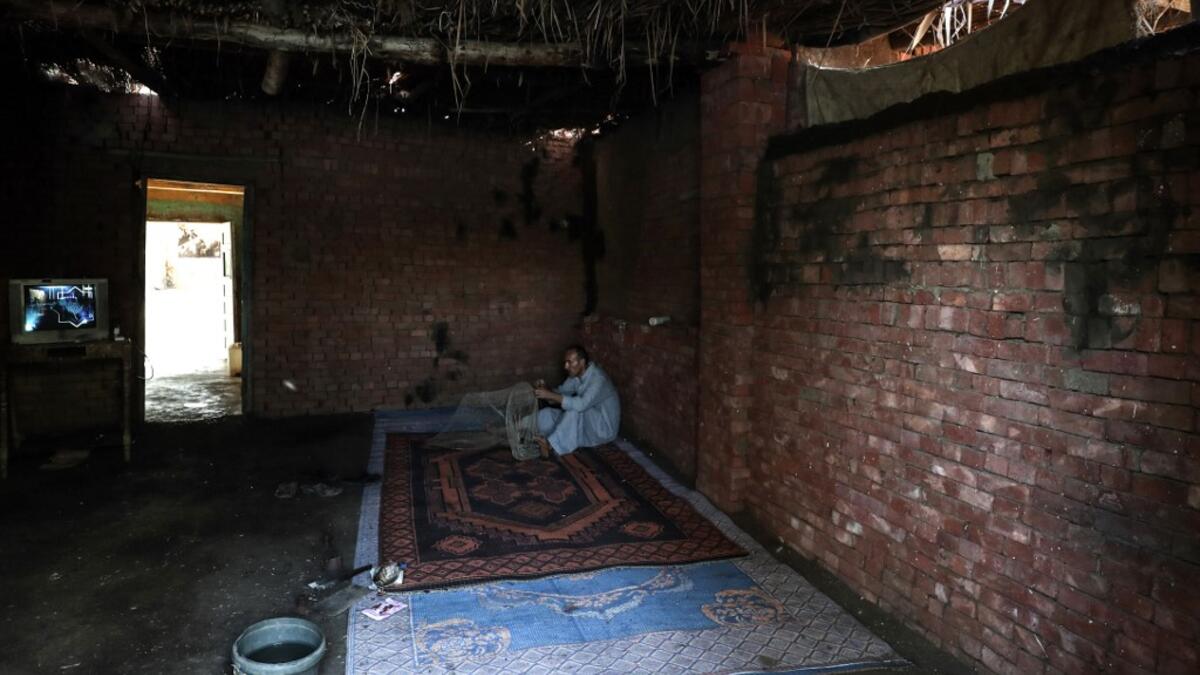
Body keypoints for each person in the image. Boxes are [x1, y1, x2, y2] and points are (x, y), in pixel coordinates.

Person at [532, 345, 620, 458]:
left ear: (582, 362)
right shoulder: (576, 376)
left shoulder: (598, 379)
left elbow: (581, 405)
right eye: (565, 362)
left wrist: (551, 395)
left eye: (569, 362)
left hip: (603, 429)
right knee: (548, 413)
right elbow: (560, 393)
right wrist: (545, 389)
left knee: (573, 410)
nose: (565, 366)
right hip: (587, 421)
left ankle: (550, 446)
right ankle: (523, 427)